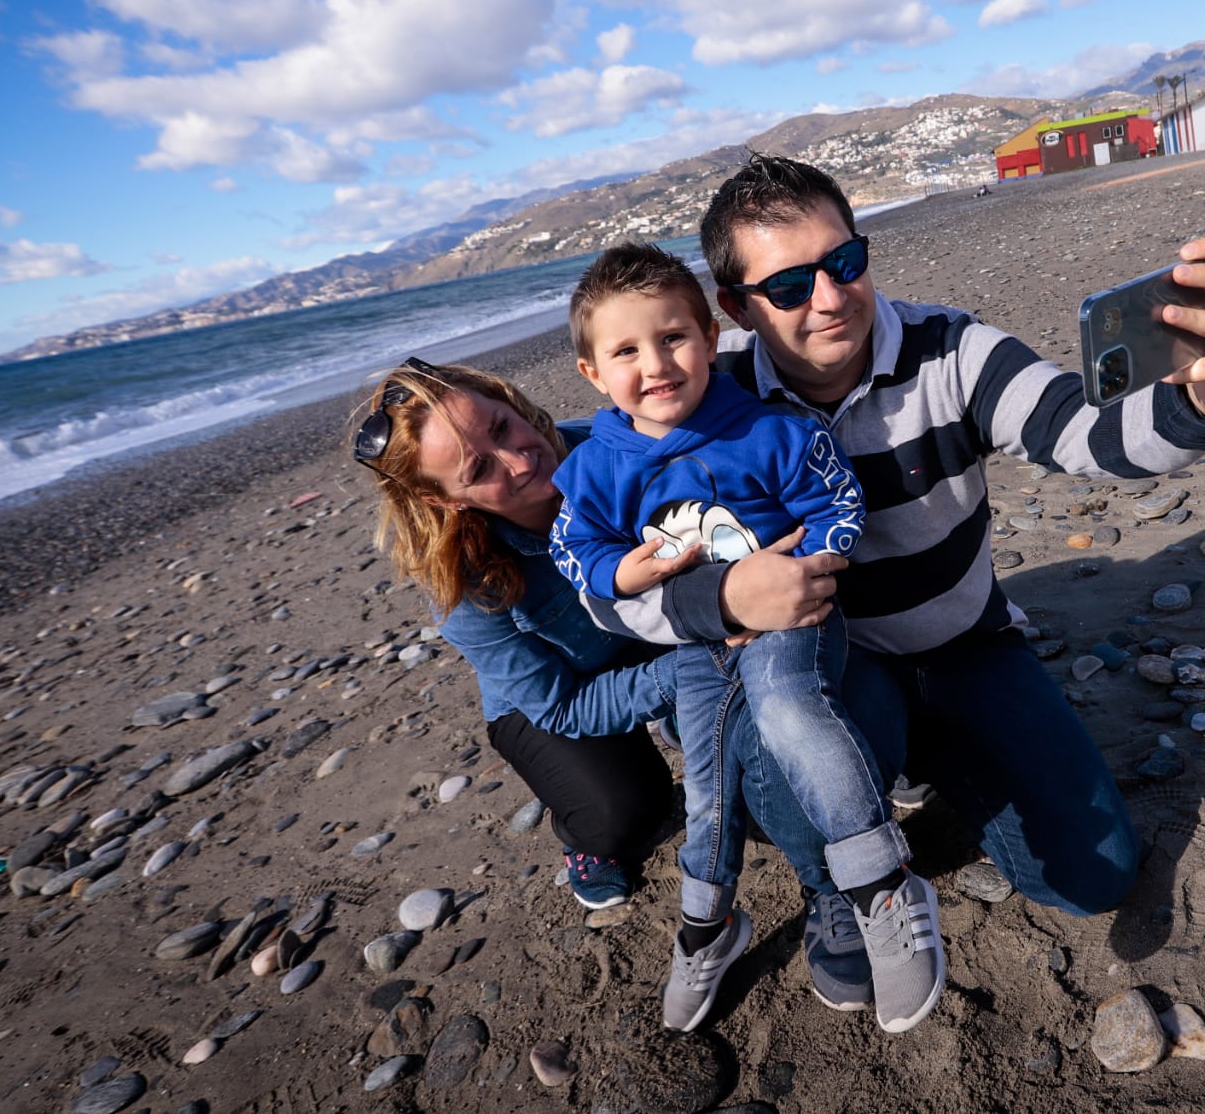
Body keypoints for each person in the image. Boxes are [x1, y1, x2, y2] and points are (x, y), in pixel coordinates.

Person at [591, 153, 1205, 937]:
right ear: (736, 309)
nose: (830, 296)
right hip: (833, 667)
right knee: (779, 770)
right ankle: (837, 892)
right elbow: (603, 586)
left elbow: (1081, 431)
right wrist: (720, 597)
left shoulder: (950, 349)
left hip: (965, 646)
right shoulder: (701, 401)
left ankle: (936, 759)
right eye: (787, 286)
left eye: (844, 261)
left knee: (1095, 876)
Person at [350, 357, 885, 1014]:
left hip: (668, 634)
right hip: (560, 692)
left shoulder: (623, 452)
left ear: (510, 396)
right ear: (444, 498)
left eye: (500, 425)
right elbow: (560, 705)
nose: (518, 459)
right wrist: (692, 664)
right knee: (622, 815)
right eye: (480, 469)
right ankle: (585, 839)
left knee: (772, 762)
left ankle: (828, 877)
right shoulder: (461, 585)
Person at [549, 243, 942, 1034]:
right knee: (707, 786)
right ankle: (707, 923)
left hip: (788, 627)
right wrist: (620, 575)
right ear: (593, 373)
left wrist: (804, 565)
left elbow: (838, 503)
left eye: (673, 338)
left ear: (709, 338)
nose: (656, 364)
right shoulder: (594, 466)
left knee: (787, 711)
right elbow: (572, 549)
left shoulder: (767, 428)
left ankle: (880, 882)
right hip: (694, 642)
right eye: (626, 350)